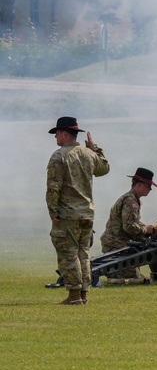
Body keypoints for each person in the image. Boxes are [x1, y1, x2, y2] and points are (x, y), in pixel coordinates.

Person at [45, 116, 111, 305]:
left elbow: (53, 187)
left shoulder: (59, 156)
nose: (56, 137)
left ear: (65, 133)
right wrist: (94, 147)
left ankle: (74, 294)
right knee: (84, 253)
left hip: (67, 214)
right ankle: (83, 293)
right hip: (87, 213)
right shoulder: (88, 154)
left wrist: (53, 212)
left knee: (68, 254)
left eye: (57, 133)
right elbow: (104, 168)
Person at [100, 167, 157, 284]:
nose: (150, 189)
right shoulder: (131, 201)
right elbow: (129, 226)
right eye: (148, 186)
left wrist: (150, 229)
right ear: (139, 184)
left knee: (137, 276)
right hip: (116, 245)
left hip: (118, 244)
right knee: (137, 279)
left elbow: (134, 223)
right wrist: (146, 230)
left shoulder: (132, 199)